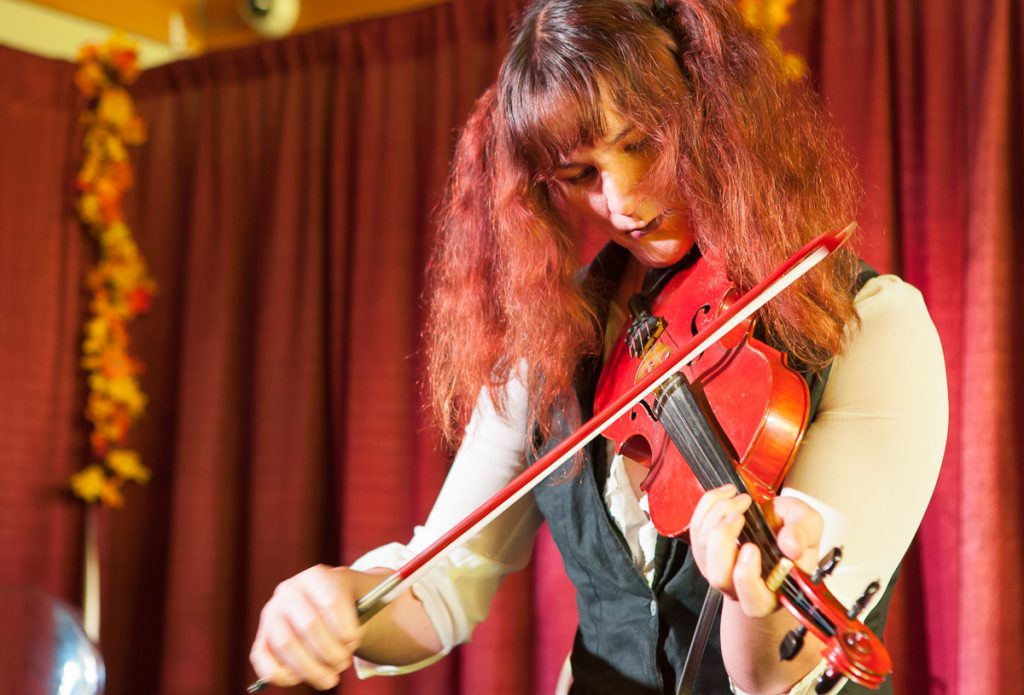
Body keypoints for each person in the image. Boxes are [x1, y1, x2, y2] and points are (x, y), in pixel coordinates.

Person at [248, 1, 948, 693]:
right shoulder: (552, 348)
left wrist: (750, 593)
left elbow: (773, 674)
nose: (623, 203)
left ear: (710, 108)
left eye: (641, 143)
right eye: (581, 176)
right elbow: (438, 588)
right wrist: (340, 600)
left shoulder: (871, 326)